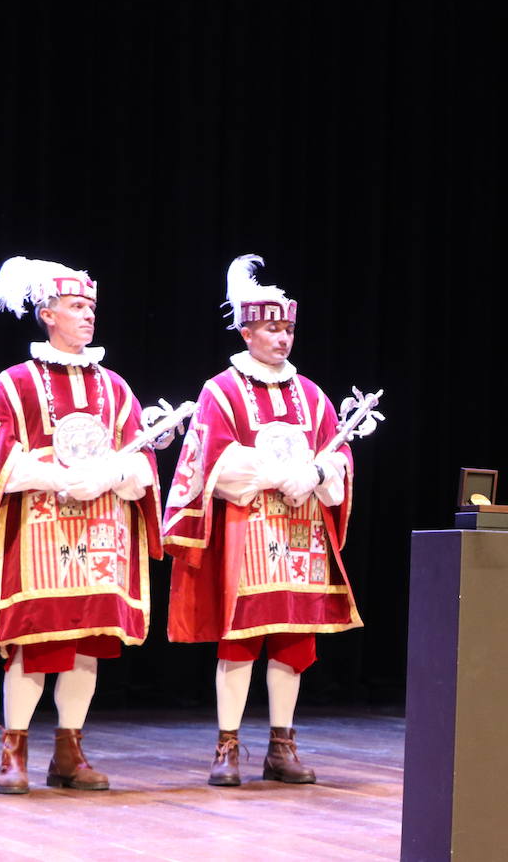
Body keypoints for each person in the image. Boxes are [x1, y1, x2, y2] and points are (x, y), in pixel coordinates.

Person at [0, 257, 161, 794]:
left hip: (101, 534)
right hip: (40, 534)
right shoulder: (16, 384)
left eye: (91, 308)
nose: (87, 317)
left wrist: (110, 474)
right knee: (34, 640)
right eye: (76, 307)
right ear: (47, 314)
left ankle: (69, 751)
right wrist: (55, 477)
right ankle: (15, 751)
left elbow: (141, 461)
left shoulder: (115, 387)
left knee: (85, 643)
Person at [162, 255, 357, 787]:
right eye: (272, 328)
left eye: (288, 327)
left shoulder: (312, 395)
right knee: (241, 638)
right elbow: (211, 464)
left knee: (295, 639)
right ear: (246, 331)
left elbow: (337, 456)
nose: (282, 338)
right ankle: (228, 746)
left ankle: (281, 744)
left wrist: (318, 470)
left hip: (301, 533)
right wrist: (277, 474)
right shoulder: (221, 391)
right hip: (249, 532)